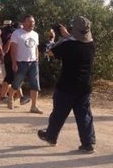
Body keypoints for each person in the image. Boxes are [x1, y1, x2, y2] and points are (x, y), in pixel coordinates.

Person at [37, 17, 97, 153]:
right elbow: (78, 39)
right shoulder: (91, 45)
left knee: (58, 113)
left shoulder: (68, 45)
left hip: (67, 85)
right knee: (84, 115)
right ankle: (88, 143)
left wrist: (52, 39)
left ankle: (51, 136)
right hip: (84, 86)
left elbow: (49, 51)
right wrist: (67, 36)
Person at [6, 15, 43, 114]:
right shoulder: (17, 33)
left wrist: (37, 60)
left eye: (33, 22)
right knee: (16, 83)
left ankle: (34, 106)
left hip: (33, 62)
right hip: (21, 62)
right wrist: (14, 62)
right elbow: (13, 49)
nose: (32, 24)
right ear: (23, 23)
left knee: (35, 84)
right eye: (30, 22)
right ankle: (10, 99)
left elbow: (36, 48)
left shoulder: (35, 34)